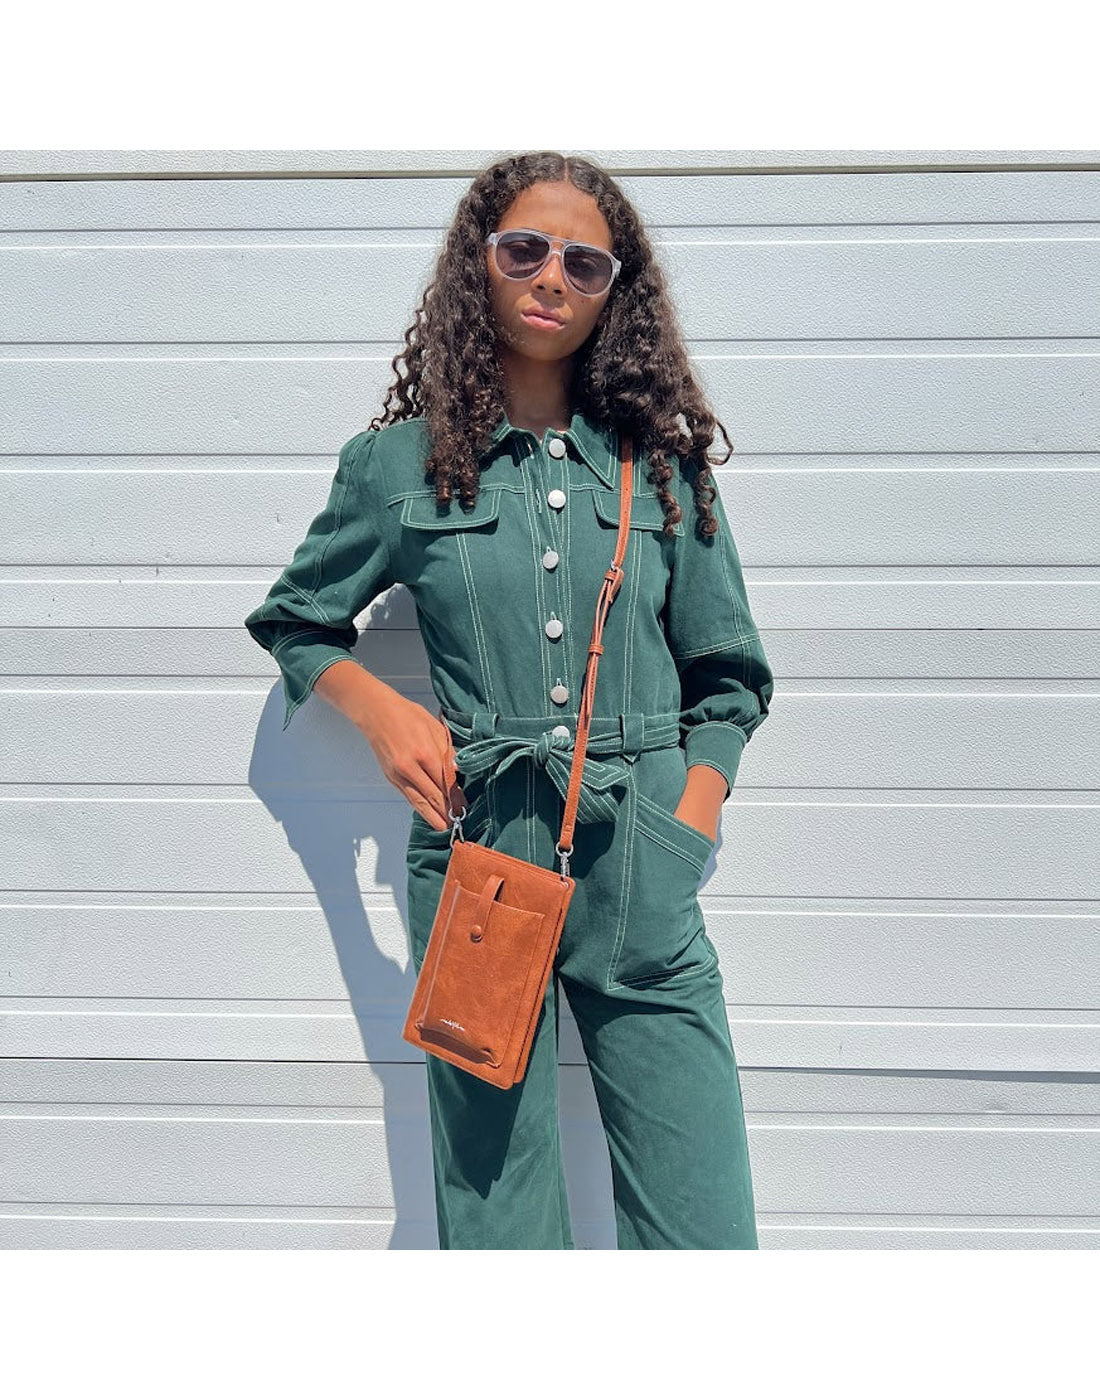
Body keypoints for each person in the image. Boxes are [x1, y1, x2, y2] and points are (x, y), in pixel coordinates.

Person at [243, 151, 775, 1250]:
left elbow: (729, 677)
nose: (549, 278)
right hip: (478, 842)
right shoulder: (397, 465)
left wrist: (693, 815)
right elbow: (296, 615)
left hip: (643, 853)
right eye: (522, 249)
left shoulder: (663, 470)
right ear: (475, 264)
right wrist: (385, 713)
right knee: (498, 1219)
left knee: (702, 1224)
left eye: (583, 263)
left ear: (611, 292)